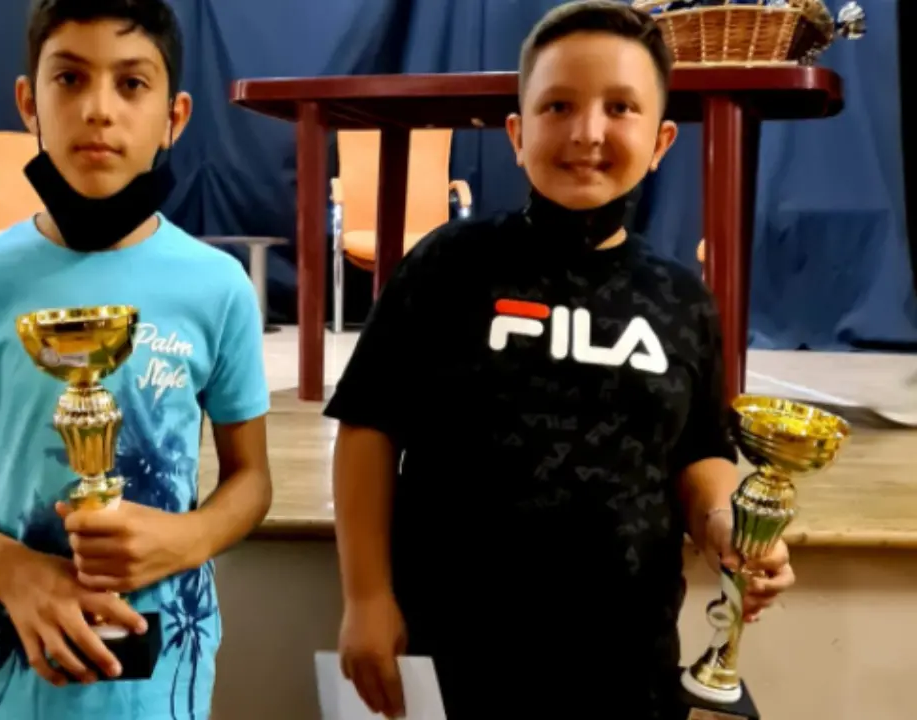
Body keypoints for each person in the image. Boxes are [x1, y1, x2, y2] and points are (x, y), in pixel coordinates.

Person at [323, 2, 796, 717]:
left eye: (621, 107)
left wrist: (729, 528)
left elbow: (699, 451)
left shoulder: (682, 298)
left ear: (661, 140)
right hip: (451, 654)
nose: (587, 132)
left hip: (625, 665)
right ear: (518, 134)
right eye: (558, 105)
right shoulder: (448, 265)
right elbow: (368, 429)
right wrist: (365, 597)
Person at [0, 1, 272, 718]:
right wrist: (9, 567)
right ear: (27, 102)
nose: (99, 109)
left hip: (161, 687)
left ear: (174, 116)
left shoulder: (218, 288)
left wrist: (185, 538)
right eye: (69, 78)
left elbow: (251, 480)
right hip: (9, 682)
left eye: (131, 83)